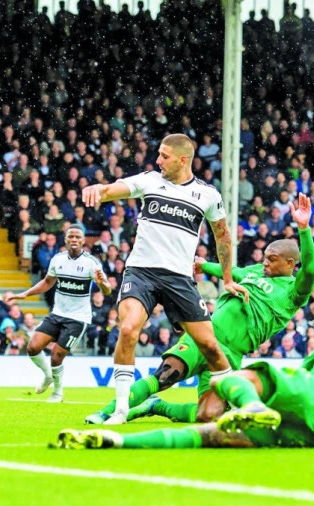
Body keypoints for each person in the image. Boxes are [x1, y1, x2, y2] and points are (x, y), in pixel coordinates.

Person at [85, 194, 314, 424]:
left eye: (272, 259)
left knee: (209, 416)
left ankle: (156, 406)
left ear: (289, 263)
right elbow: (233, 272)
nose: (265, 262)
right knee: (166, 375)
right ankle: (107, 412)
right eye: (265, 257)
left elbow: (309, 269)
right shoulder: (256, 271)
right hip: (205, 335)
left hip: (231, 354)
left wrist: (304, 229)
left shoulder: (293, 292)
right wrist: (204, 265)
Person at [81, 134, 247, 424]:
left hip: (179, 278)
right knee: (128, 329)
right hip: (141, 272)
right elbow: (113, 189)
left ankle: (239, 404)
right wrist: (100, 189)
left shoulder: (207, 194)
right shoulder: (149, 181)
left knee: (210, 346)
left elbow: (222, 236)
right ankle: (121, 410)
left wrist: (228, 279)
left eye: (164, 156)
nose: (158, 160)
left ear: (183, 160)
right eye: (159, 154)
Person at [54, 323, 314, 449]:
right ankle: (118, 441)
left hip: (309, 394)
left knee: (229, 380)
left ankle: (253, 405)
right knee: (212, 433)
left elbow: (305, 374)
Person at [3, 226, 112, 402]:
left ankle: (57, 392)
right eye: (71, 236)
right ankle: (48, 376)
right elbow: (47, 282)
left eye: (77, 237)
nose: (74, 239)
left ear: (83, 241)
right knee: (32, 347)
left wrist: (102, 284)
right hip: (57, 314)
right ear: (66, 239)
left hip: (78, 318)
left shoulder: (91, 263)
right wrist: (25, 294)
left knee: (56, 355)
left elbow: (107, 291)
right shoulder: (58, 259)